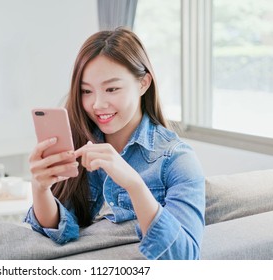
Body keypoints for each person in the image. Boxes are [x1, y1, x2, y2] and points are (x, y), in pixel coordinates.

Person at [24, 27, 205, 260]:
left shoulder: (177, 160)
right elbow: (62, 233)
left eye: (112, 89)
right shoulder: (80, 144)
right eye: (86, 91)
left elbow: (184, 258)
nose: (97, 104)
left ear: (143, 83)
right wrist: (40, 188)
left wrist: (133, 184)